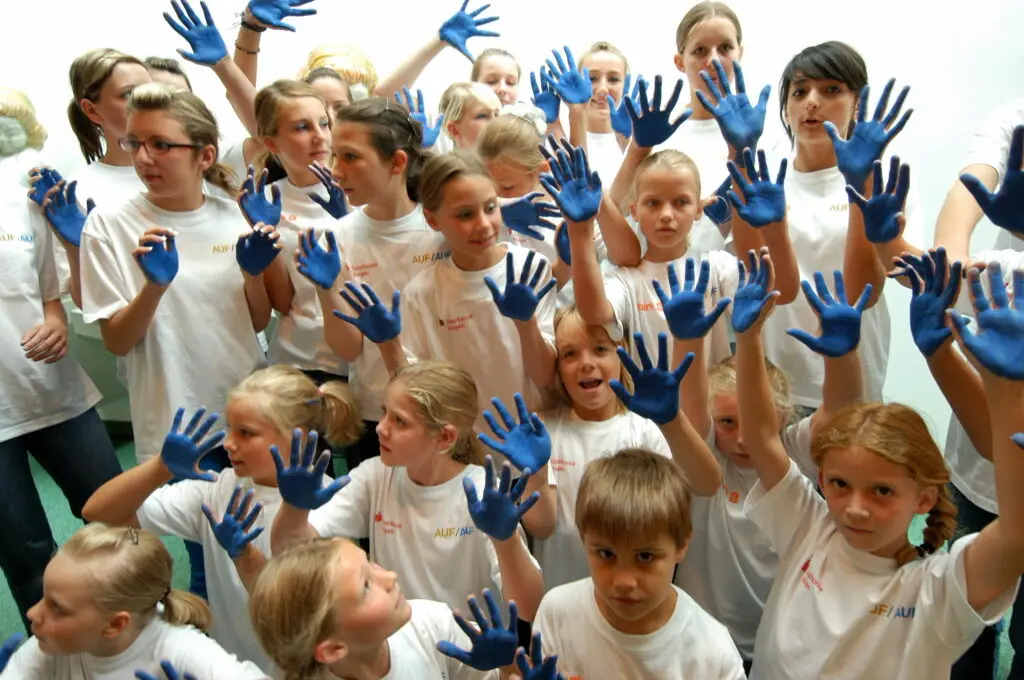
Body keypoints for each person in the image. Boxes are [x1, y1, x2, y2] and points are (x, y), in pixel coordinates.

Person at [734, 254, 1024, 679]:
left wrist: (1006, 391)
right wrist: (747, 338)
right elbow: (760, 437)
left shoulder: (938, 590)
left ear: (924, 497)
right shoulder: (808, 528)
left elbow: (1015, 532)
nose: (854, 507)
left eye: (882, 491)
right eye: (838, 484)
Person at [78, 82, 270, 597]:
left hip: (248, 411)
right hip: (178, 423)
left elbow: (253, 321)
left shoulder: (232, 213)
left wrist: (255, 275)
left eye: (162, 144)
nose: (144, 157)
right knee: (210, 561)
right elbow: (117, 342)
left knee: (264, 551)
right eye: (135, 143)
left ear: (205, 155)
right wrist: (153, 288)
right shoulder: (110, 225)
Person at [82, 365, 362, 672]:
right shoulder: (218, 488)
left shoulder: (325, 504)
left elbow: (299, 610)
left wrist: (247, 554)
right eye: (229, 428)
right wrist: (160, 468)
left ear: (296, 437)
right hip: (231, 662)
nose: (228, 443)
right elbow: (98, 514)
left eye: (245, 433)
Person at [269, 360, 545, 622]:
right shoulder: (376, 475)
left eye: (399, 421)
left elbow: (528, 609)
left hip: (469, 658)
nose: (380, 428)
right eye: (383, 413)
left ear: (445, 437)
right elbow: (289, 552)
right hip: (400, 645)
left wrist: (506, 541)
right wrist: (294, 510)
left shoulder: (483, 493)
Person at [295, 96, 448, 472]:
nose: (336, 170)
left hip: (445, 406)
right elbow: (348, 350)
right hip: (378, 411)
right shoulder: (337, 237)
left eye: (350, 157)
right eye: (335, 156)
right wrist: (325, 287)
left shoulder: (440, 229)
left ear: (397, 162)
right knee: (380, 523)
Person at [524, 305, 722, 590]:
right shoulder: (543, 429)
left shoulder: (644, 428)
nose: (586, 363)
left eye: (601, 349)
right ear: (556, 367)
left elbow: (707, 483)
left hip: (635, 593)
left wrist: (672, 421)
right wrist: (537, 472)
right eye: (569, 354)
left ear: (623, 355)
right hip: (562, 596)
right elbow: (541, 528)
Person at [0, 174, 121, 630]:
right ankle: (59, 656)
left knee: (115, 521)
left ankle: (157, 629)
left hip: (51, 388)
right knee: (26, 554)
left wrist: (57, 323)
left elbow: (50, 296)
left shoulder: (18, 200)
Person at [532, 448, 746, 678]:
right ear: (584, 538)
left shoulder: (714, 654)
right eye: (606, 554)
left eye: (645, 557)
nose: (624, 581)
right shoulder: (557, 613)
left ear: (682, 545)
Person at [250, 537, 553, 680]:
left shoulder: (429, 623)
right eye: (366, 586)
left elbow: (509, 677)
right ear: (332, 649)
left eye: (370, 562)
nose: (390, 576)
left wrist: (508, 665)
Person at [1, 523, 268, 679]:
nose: (32, 613)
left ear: (116, 624)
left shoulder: (182, 652)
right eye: (44, 598)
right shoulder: (51, 645)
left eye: (56, 607)